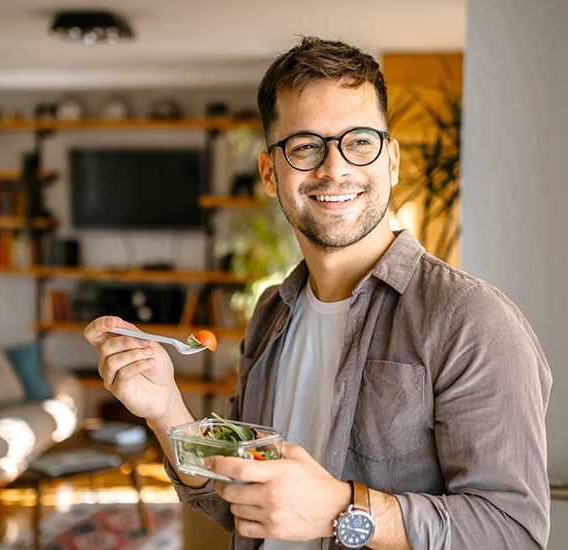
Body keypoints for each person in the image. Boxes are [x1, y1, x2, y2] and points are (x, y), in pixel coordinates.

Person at [84, 36, 551, 550]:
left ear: (391, 160)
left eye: (359, 141)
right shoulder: (271, 314)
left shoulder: (470, 319)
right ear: (270, 172)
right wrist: (165, 407)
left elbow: (514, 534)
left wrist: (339, 509)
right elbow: (234, 503)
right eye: (306, 145)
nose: (334, 168)